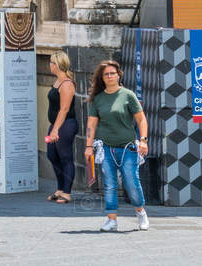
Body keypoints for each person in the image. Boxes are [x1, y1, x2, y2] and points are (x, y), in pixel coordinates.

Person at [86, 60, 150, 232]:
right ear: (102, 78)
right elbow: (91, 124)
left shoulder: (128, 95)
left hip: (128, 147)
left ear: (118, 75)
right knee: (109, 184)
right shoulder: (98, 99)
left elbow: (141, 119)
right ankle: (111, 220)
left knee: (131, 183)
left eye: (112, 73)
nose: (109, 76)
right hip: (107, 148)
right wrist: (88, 146)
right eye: (106, 74)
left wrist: (143, 140)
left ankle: (140, 211)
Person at [45, 51, 78, 203]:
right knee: (52, 155)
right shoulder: (57, 81)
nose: (50, 65)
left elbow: (64, 109)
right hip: (56, 124)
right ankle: (59, 188)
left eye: (52, 62)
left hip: (65, 125)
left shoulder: (67, 84)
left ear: (58, 65)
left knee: (65, 157)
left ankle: (66, 192)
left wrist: (56, 129)